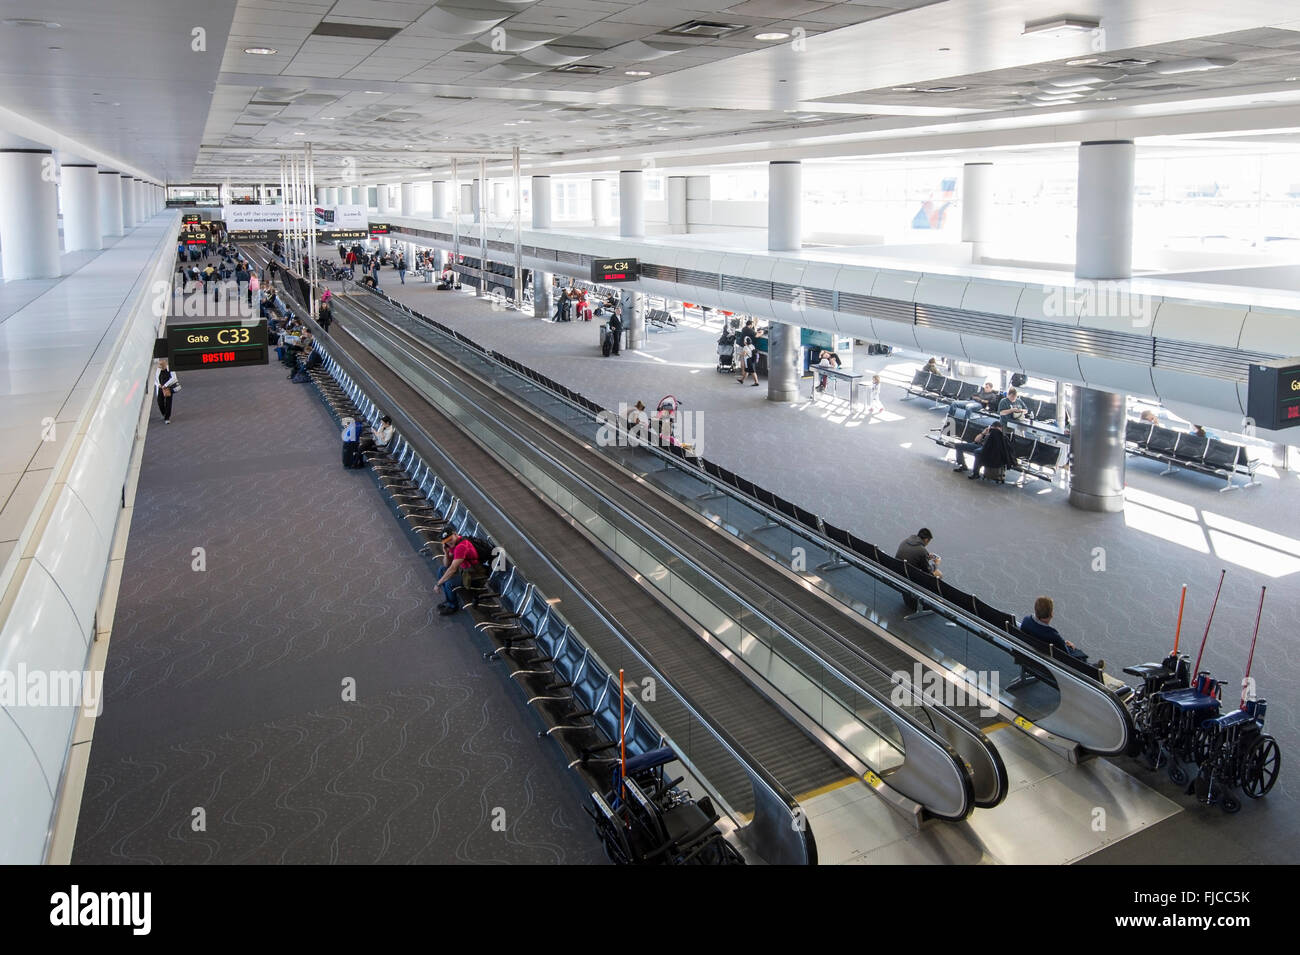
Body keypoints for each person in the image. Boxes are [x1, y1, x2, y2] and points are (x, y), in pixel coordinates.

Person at [1019, 596, 1101, 671]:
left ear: (1035, 610)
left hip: (1027, 656)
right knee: (1075, 653)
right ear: (1051, 614)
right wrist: (1069, 646)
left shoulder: (1026, 620)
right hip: (1048, 665)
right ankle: (1090, 668)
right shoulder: (1053, 635)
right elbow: (1065, 655)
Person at [435, 532, 489, 615]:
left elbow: (452, 569)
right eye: (447, 541)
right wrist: (446, 552)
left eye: (450, 539)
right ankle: (449, 599)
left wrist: (438, 584)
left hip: (474, 576)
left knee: (449, 582)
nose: (449, 542)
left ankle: (453, 606)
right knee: (442, 569)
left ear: (455, 535)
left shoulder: (461, 547)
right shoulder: (455, 544)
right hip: (465, 571)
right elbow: (446, 564)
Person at [896, 529, 941, 613]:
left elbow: (914, 559)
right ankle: (934, 601)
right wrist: (936, 564)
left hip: (898, 574)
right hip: (911, 578)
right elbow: (928, 572)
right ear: (926, 540)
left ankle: (911, 599)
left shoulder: (904, 541)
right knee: (938, 574)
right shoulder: (922, 550)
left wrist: (926, 557)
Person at [155, 358, 179, 424]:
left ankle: (167, 418)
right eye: (159, 365)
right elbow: (155, 379)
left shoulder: (170, 369)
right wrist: (158, 384)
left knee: (168, 401)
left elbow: (174, 378)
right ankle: (164, 413)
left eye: (161, 365)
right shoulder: (157, 370)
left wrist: (165, 385)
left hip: (168, 387)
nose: (160, 366)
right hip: (160, 387)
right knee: (160, 401)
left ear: (165, 363)